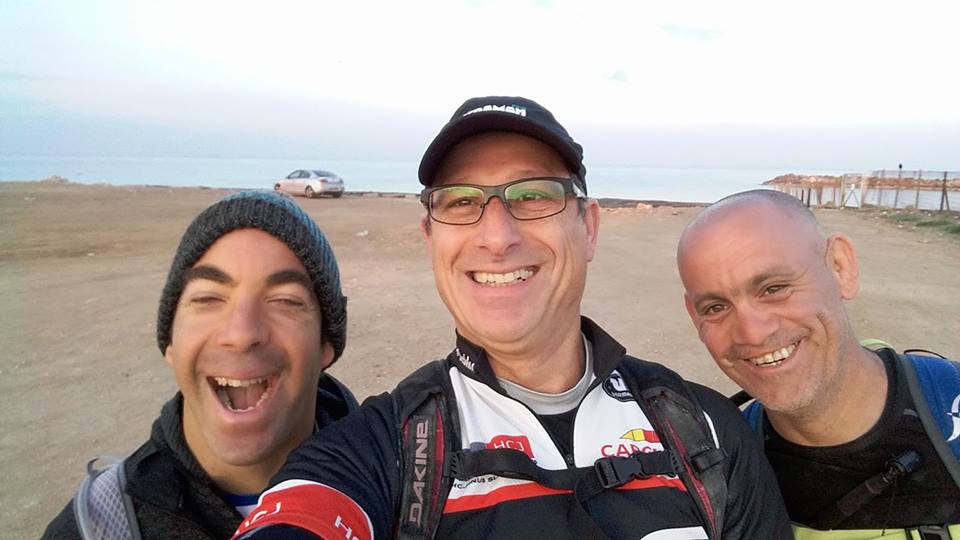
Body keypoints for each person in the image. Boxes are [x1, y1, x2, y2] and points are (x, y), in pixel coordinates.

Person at [232, 96, 791, 540]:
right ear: (430, 238)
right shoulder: (382, 449)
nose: (497, 236)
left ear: (589, 228)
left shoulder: (706, 433)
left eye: (533, 195)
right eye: (460, 201)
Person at [43, 190, 358, 539]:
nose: (241, 333)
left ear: (326, 344)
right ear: (171, 342)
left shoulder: (397, 491)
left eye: (285, 301)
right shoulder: (96, 528)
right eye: (208, 298)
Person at [676, 189, 960, 538]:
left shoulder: (949, 403)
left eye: (774, 288)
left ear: (840, 268)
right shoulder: (722, 472)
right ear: (694, 317)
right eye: (715, 308)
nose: (752, 333)